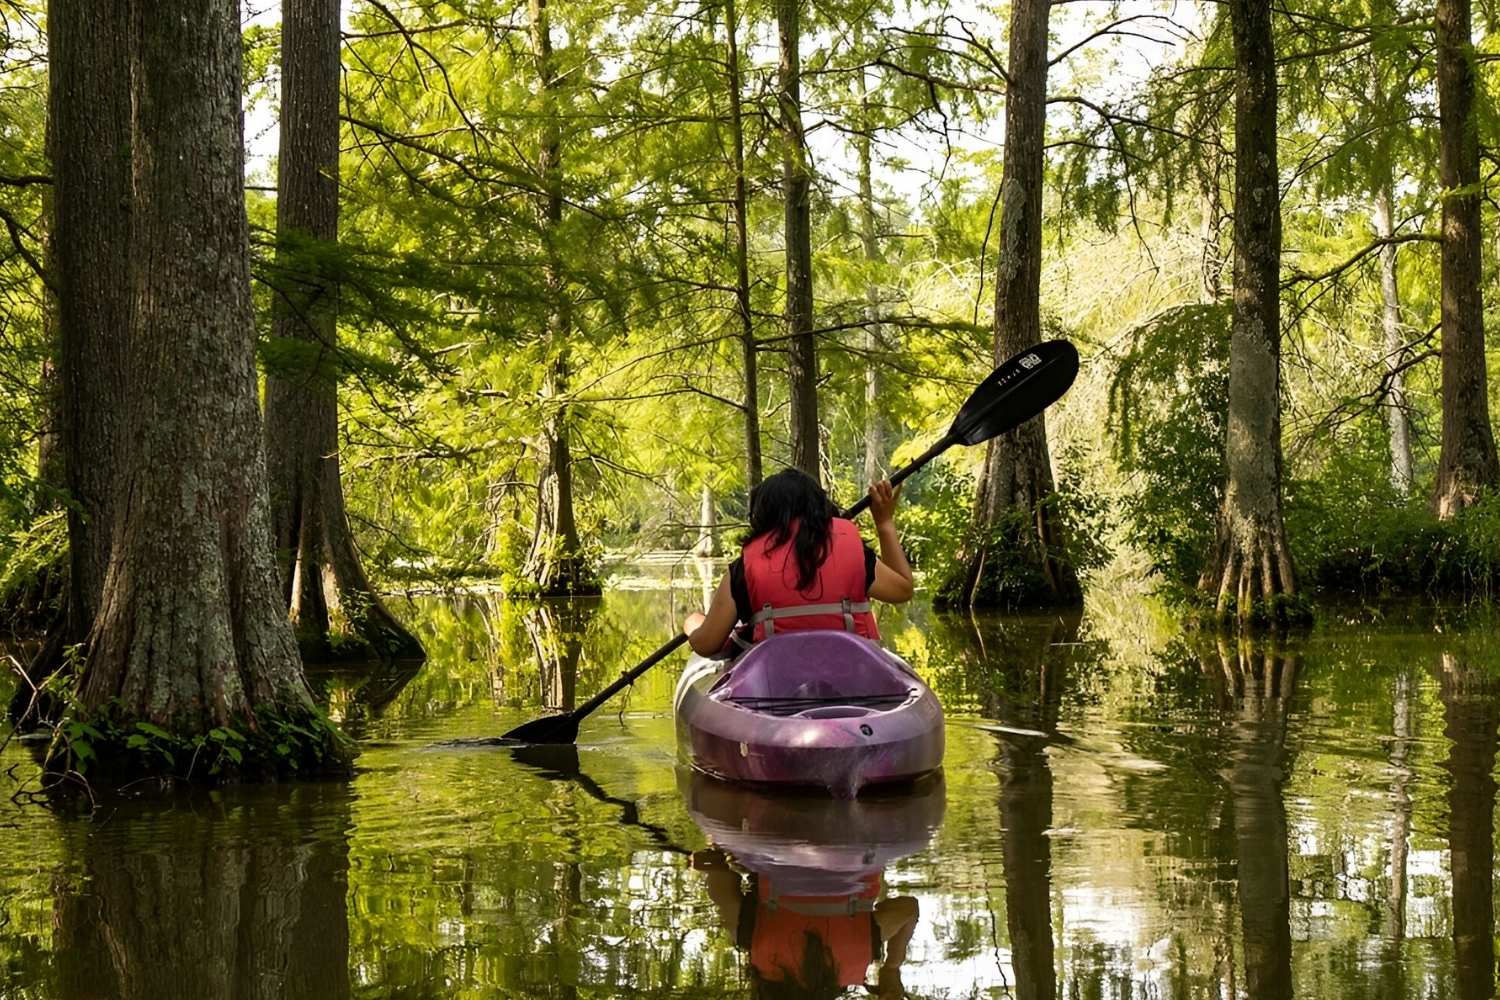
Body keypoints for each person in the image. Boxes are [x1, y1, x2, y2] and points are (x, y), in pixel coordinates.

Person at [683, 469, 914, 657]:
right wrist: (884, 522)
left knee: (698, 621)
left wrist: (692, 624)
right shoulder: (856, 555)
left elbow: (707, 644)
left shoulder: (743, 569)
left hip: (777, 688)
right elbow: (902, 589)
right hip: (852, 675)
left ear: (761, 516)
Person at [693, 847, 920, 999]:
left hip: (857, 844)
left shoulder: (859, 953)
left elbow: (909, 909)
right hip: (774, 840)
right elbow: (717, 875)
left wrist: (892, 967)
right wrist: (711, 859)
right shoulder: (753, 942)